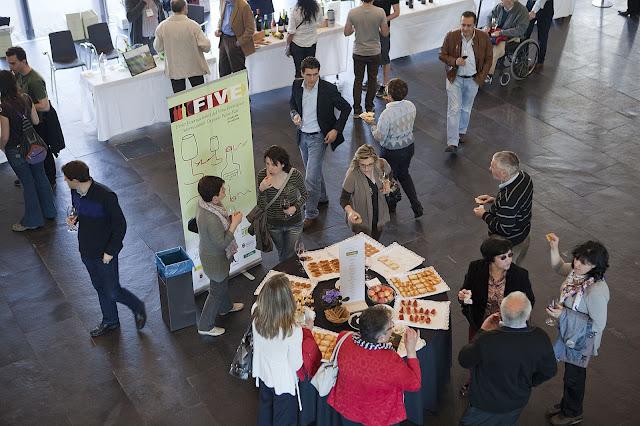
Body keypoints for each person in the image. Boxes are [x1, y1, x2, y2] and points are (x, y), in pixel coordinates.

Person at [62, 160, 146, 337]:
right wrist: (74, 219)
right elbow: (79, 210)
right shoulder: (74, 191)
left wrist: (110, 251)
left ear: (76, 179)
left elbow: (120, 225)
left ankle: (138, 307)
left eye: (66, 178)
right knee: (99, 286)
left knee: (113, 291)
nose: (64, 180)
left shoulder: (106, 196)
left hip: (104, 253)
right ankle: (110, 321)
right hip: (86, 250)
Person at [459, 291, 557, 424]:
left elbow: (464, 359)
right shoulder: (541, 337)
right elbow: (550, 370)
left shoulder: (487, 340)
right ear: (528, 314)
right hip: (517, 402)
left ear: (501, 314)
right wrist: (530, 382)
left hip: (484, 404)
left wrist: (482, 331)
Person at [457, 235, 535, 397]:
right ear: (490, 259)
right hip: (481, 323)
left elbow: (529, 301)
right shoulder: (476, 268)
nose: (509, 260)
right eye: (503, 257)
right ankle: (475, 381)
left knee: (504, 359)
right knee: (477, 356)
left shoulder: (520, 275)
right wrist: (463, 296)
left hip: (507, 328)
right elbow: (466, 290)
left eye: (510, 255)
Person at [545, 234, 610, 426]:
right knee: (569, 374)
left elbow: (598, 324)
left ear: (595, 266)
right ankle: (567, 405)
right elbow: (558, 266)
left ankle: (573, 413)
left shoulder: (595, 291)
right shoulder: (577, 274)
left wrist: (563, 316)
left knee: (574, 378)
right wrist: (555, 247)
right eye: (577, 258)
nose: (577, 264)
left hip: (581, 341)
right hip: (569, 333)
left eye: (585, 263)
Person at [328, 305, 421, 425]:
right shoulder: (391, 362)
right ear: (381, 337)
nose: (392, 327)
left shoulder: (344, 337)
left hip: (347, 406)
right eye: (390, 326)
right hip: (378, 415)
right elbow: (415, 384)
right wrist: (411, 350)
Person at [289, 57, 351, 229]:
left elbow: (346, 108)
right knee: (313, 172)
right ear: (302, 73)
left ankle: (310, 213)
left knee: (309, 179)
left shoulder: (328, 89)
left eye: (315, 74)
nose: (312, 79)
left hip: (319, 138)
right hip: (302, 136)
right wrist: (294, 114)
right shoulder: (296, 86)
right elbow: (292, 104)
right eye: (308, 75)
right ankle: (322, 197)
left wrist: (336, 130)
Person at [252, 273, 321, 425]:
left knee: (265, 408)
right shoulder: (293, 331)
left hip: (263, 373)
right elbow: (296, 364)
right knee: (284, 419)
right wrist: (307, 330)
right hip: (283, 381)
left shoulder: (256, 315)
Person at [0, 70, 56, 232]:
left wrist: (1, 146)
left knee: (28, 183)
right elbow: (36, 121)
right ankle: (50, 211)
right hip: (34, 147)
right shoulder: (26, 98)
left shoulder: (3, 107)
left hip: (16, 150)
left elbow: (5, 136)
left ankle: (32, 220)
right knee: (41, 176)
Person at [362, 78, 423, 217]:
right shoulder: (411, 105)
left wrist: (371, 124)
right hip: (408, 147)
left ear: (389, 96)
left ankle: (391, 206)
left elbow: (379, 136)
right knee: (404, 175)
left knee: (387, 179)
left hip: (391, 152)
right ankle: (416, 205)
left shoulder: (386, 114)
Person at [6, 46, 65, 188]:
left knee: (43, 150)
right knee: (30, 148)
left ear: (23, 61)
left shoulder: (35, 80)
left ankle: (51, 180)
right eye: (9, 63)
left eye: (13, 63)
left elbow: (45, 106)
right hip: (30, 120)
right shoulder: (19, 75)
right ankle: (35, 176)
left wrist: (24, 106)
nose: (10, 66)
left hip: (41, 121)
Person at [196, 176, 245, 337]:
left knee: (222, 283)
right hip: (215, 258)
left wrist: (230, 221)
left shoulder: (207, 205)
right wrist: (234, 224)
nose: (225, 191)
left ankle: (225, 307)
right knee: (216, 290)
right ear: (215, 197)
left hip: (214, 256)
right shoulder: (210, 218)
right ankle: (205, 325)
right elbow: (222, 243)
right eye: (222, 190)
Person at [439, 11, 493, 154]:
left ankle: (461, 131)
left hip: (473, 79)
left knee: (466, 108)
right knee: (454, 109)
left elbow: (489, 59)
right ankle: (452, 142)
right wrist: (454, 61)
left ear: (474, 25)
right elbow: (442, 54)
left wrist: (481, 78)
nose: (465, 28)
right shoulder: (451, 35)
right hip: (454, 79)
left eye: (469, 25)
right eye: (463, 25)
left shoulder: (483, 37)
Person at [473, 151, 533, 264]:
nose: (490, 168)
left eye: (493, 166)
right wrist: (494, 200)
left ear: (504, 173)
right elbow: (517, 205)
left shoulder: (508, 199)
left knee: (504, 275)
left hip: (509, 245)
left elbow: (504, 228)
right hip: (523, 234)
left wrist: (483, 215)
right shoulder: (524, 177)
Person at [257, 145, 308, 261]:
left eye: (274, 165)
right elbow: (262, 205)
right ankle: (287, 274)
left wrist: (295, 207)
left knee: (288, 254)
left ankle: (285, 275)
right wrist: (261, 189)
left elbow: (305, 195)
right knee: (282, 252)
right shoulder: (262, 176)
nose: (270, 168)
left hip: (294, 223)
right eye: (267, 164)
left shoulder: (294, 175)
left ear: (283, 164)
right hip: (273, 224)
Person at [154, 0, 211, 93]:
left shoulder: (162, 27)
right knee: (200, 98)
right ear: (185, 8)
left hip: (175, 69)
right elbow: (206, 47)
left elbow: (158, 48)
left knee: (179, 102)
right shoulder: (193, 25)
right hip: (194, 68)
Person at [344, 0, 389, 117]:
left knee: (358, 80)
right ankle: (369, 107)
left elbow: (346, 32)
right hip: (374, 52)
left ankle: (357, 110)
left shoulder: (352, 12)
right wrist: (377, 28)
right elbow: (385, 33)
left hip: (358, 52)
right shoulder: (380, 12)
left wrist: (355, 28)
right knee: (372, 79)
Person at [340, 144, 392, 240]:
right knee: (362, 246)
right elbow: (343, 198)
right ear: (358, 162)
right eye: (362, 165)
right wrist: (350, 212)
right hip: (361, 219)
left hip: (378, 216)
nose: (366, 169)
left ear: (375, 160)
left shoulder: (381, 164)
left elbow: (389, 173)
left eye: (370, 165)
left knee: (375, 242)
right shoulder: (352, 175)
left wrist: (387, 182)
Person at [483, 0, 529, 84]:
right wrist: (489, 26)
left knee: (495, 51)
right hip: (496, 33)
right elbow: (491, 17)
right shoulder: (500, 7)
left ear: (510, 1)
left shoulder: (522, 11)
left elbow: (520, 30)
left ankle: (488, 74)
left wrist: (501, 33)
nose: (500, 1)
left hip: (511, 37)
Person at [216, 0, 256, 77]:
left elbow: (250, 29)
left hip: (235, 40)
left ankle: (244, 89)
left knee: (239, 73)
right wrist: (218, 29)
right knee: (223, 72)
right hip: (223, 39)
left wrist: (239, 42)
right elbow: (221, 18)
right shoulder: (222, 1)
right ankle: (226, 89)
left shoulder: (244, 6)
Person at [372, 0, 400, 98]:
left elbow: (397, 12)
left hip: (383, 28)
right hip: (370, 28)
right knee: (371, 55)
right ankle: (373, 79)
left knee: (384, 57)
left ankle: (385, 85)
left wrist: (383, 20)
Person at [286, 0, 321, 79]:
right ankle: (312, 89)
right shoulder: (317, 7)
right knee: (311, 69)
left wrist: (287, 45)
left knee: (299, 72)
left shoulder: (295, 10)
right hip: (312, 42)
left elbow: (291, 32)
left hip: (297, 44)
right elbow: (319, 22)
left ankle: (299, 90)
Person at [525, 0, 554, 70]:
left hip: (545, 8)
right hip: (531, 3)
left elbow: (540, 2)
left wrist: (533, 11)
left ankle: (540, 61)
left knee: (542, 37)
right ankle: (523, 58)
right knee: (525, 33)